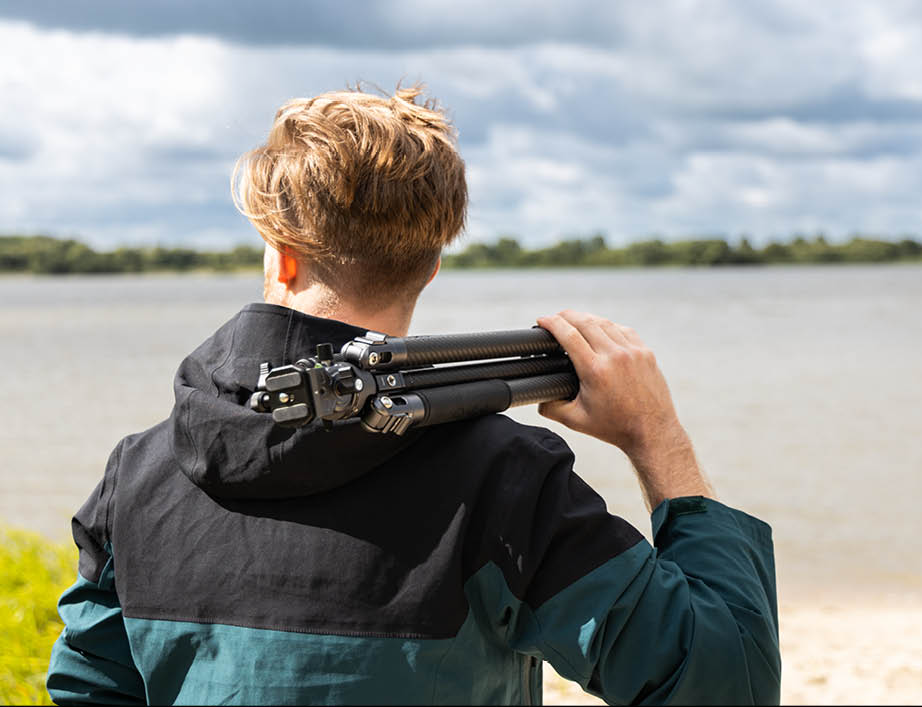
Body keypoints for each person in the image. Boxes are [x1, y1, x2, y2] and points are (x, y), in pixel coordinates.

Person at [46, 85, 780, 705]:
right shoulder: (506, 477)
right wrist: (655, 436)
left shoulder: (137, 475)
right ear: (431, 266)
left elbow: (89, 687)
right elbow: (725, 681)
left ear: (280, 251)